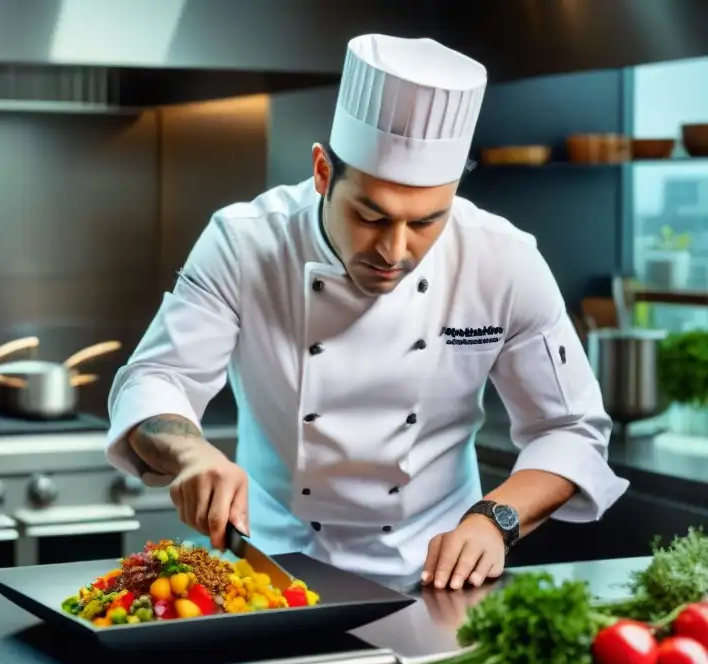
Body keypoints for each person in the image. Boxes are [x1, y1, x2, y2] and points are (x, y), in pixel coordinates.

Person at [104, 34, 629, 590]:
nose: (395, 250)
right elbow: (157, 377)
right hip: (268, 576)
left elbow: (571, 429)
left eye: (427, 222)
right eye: (372, 217)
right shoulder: (245, 242)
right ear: (323, 173)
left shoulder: (503, 258)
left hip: (438, 580)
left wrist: (495, 520)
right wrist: (191, 454)